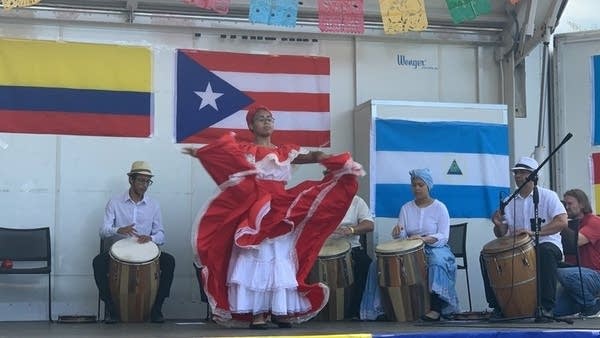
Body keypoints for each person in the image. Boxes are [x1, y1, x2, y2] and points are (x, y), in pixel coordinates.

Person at [183, 105, 363, 329]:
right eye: (261, 119)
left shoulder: (284, 152)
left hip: (281, 208)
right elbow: (223, 156)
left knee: (280, 257)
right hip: (255, 208)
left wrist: (333, 161)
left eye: (270, 119)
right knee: (258, 256)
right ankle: (258, 313)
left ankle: (279, 310)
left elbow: (314, 155)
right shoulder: (245, 149)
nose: (267, 122)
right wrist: (203, 153)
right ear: (251, 125)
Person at [92, 161, 176, 324]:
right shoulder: (115, 202)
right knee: (98, 263)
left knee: (170, 261)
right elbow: (103, 231)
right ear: (131, 180)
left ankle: (157, 309)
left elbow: (161, 234)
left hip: (146, 253)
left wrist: (151, 238)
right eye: (140, 180)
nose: (144, 185)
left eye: (147, 181)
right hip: (118, 255)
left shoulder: (154, 205)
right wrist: (118, 230)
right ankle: (111, 308)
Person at [484, 156, 567, 318]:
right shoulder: (509, 201)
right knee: (487, 256)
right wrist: (498, 225)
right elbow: (502, 234)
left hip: (547, 242)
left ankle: (546, 307)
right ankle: (497, 306)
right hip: (518, 247)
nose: (518, 176)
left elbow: (562, 222)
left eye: (522, 173)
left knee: (544, 252)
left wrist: (535, 233)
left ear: (533, 176)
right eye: (516, 173)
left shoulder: (548, 196)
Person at [390, 168, 459, 321]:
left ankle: (436, 309)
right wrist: (398, 233)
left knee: (436, 262)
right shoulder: (406, 208)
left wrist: (424, 239)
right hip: (410, 249)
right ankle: (388, 308)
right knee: (379, 265)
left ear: (428, 186)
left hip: (435, 248)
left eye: (421, 185)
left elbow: (443, 236)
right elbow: (402, 234)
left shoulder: (440, 207)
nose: (417, 188)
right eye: (414, 185)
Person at [553, 189, 600, 317]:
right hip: (576, 276)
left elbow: (576, 241)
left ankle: (592, 306)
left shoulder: (594, 221)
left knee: (561, 273)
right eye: (565, 204)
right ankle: (586, 301)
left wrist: (560, 223)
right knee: (555, 311)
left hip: (595, 275)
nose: (566, 208)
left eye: (570, 204)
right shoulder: (570, 224)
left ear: (582, 205)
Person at [327, 195, 374, 319]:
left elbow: (369, 224)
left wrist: (352, 230)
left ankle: (355, 309)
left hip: (351, 245)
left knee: (366, 264)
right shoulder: (321, 198)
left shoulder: (357, 201)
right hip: (325, 246)